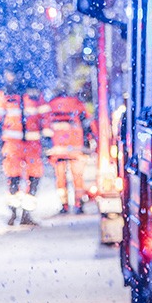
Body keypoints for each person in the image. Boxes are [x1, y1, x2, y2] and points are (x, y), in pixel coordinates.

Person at [0, 74, 45, 226]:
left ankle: (17, 214)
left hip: (16, 144)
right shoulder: (34, 93)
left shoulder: (5, 94)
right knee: (30, 178)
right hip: (28, 144)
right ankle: (22, 215)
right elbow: (43, 116)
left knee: (16, 178)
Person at [44, 86, 92, 214]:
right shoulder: (76, 103)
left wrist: (48, 147)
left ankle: (64, 205)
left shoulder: (51, 105)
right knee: (77, 177)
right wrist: (89, 140)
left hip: (58, 148)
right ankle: (79, 204)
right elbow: (87, 121)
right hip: (75, 147)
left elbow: (46, 127)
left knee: (60, 178)